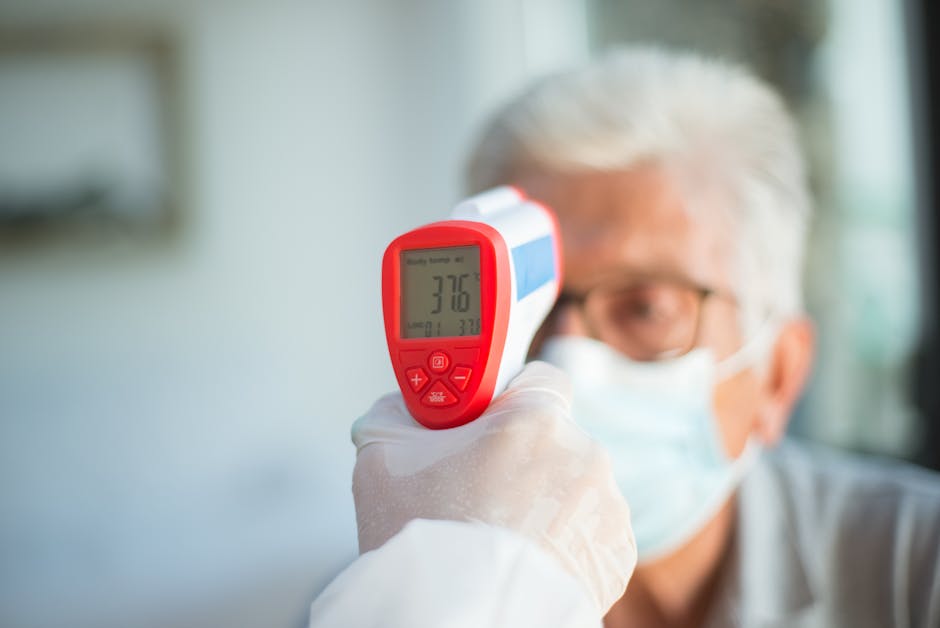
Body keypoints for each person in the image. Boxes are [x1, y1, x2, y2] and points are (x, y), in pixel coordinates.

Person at [310, 47, 940, 627]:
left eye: (645, 308)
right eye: (525, 313)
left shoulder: (917, 563)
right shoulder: (388, 602)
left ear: (779, 374)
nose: (565, 365)